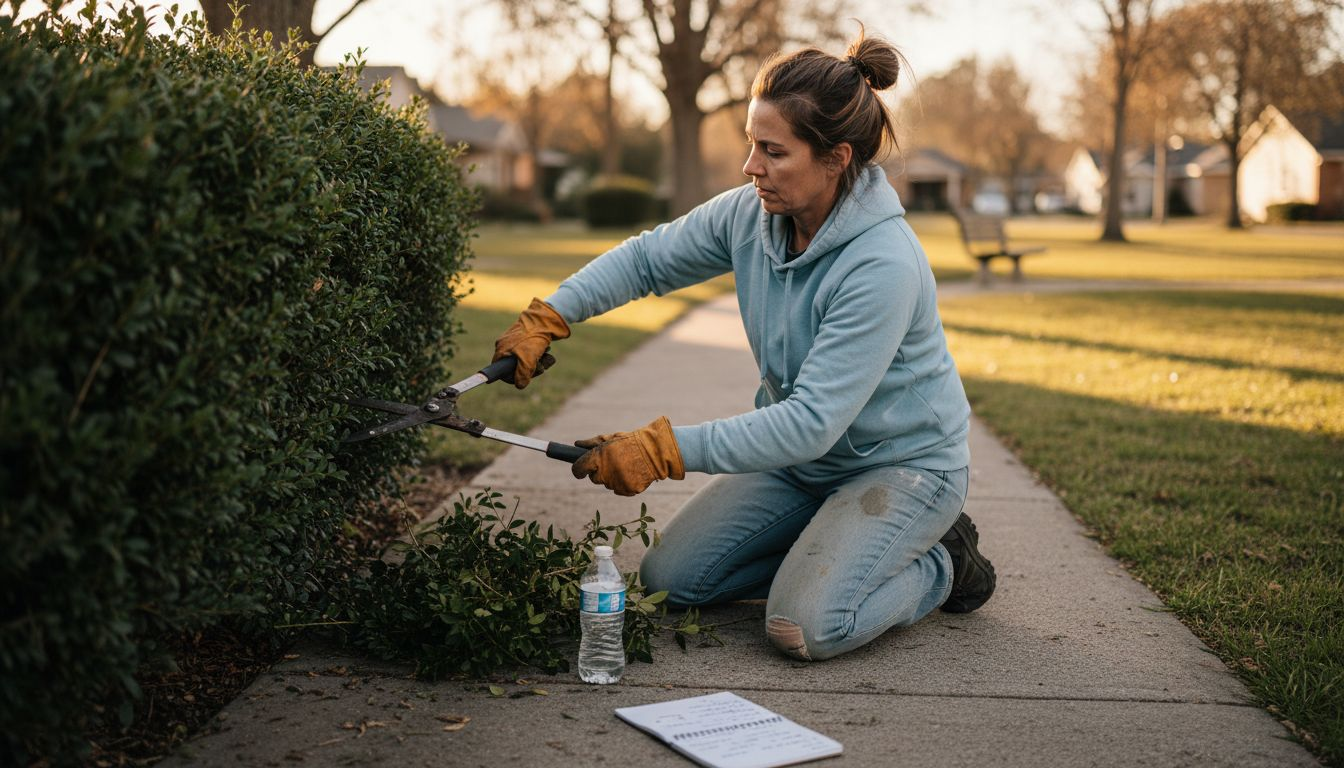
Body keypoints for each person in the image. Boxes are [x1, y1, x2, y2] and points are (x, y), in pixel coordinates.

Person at [491, 27, 995, 662]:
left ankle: (941, 563)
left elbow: (811, 421)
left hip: (901, 468)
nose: (750, 167)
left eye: (773, 151)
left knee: (804, 627)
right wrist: (551, 315)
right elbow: (648, 260)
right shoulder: (751, 214)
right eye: (752, 145)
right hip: (805, 468)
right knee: (671, 582)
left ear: (837, 158)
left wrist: (663, 449)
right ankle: (833, 550)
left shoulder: (881, 263)